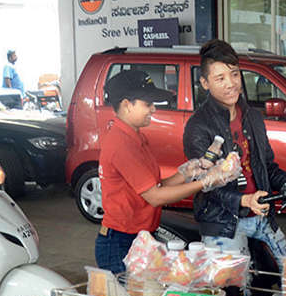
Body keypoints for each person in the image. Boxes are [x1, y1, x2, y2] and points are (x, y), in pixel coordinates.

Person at [95, 68, 240, 272]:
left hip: (140, 236)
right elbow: (155, 197)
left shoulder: (135, 137)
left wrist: (188, 172)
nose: (153, 109)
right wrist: (205, 182)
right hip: (121, 242)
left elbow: (156, 186)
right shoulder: (122, 144)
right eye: (148, 104)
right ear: (127, 105)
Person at [182, 39, 286, 258]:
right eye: (220, 78)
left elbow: (267, 167)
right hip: (222, 223)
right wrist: (245, 200)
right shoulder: (198, 126)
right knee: (234, 289)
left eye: (234, 74)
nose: (231, 83)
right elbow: (205, 184)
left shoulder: (252, 117)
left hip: (262, 215)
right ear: (205, 83)